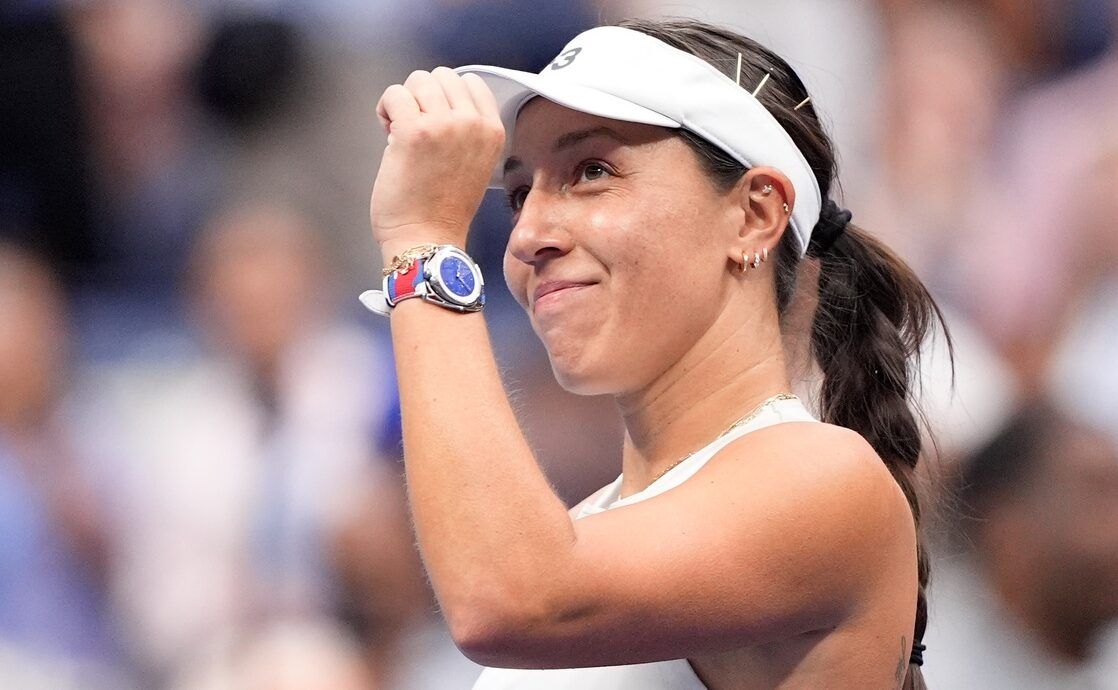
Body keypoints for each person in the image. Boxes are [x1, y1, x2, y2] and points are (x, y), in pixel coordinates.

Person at [364, 17, 945, 689]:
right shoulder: (584, 531)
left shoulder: (825, 478)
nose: (526, 235)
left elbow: (509, 602)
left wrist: (424, 243)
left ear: (755, 214)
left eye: (591, 171)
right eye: (521, 192)